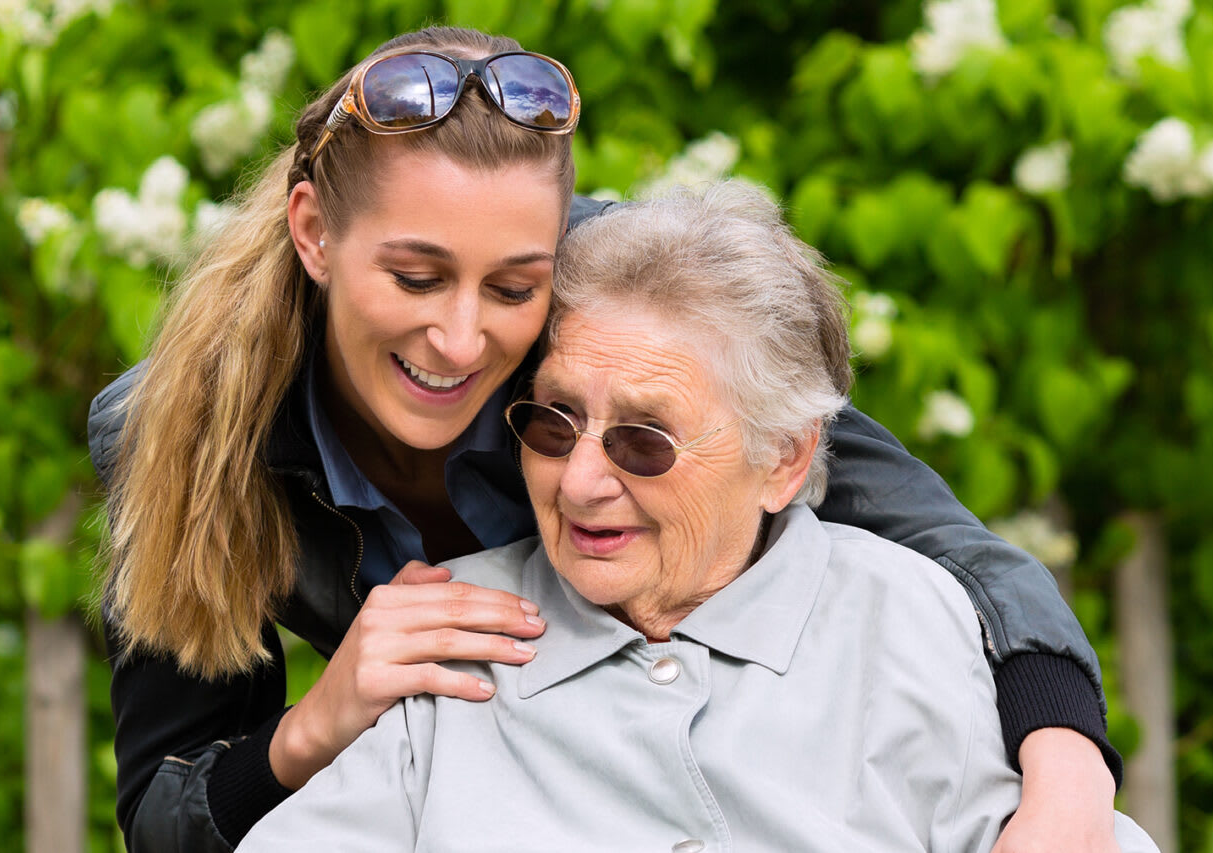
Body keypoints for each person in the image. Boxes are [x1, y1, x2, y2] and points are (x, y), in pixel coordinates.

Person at [89, 26, 1122, 853]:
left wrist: (1069, 778)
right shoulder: (175, 429)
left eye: (512, 288)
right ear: (314, 233)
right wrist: (319, 721)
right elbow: (165, 816)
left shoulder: (620, 304)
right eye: (414, 278)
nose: (459, 338)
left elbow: (955, 553)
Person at [240, 180, 1158, 853]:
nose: (582, 481)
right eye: (553, 423)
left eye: (645, 440)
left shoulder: (909, 621)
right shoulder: (455, 627)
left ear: (784, 459)